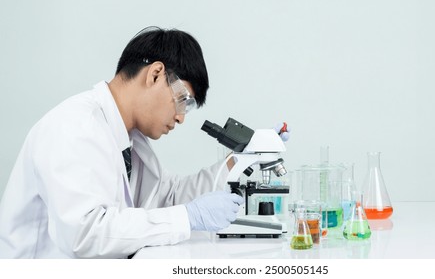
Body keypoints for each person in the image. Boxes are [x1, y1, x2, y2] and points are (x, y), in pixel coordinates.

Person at [0, 27, 289, 259]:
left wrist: (241, 159)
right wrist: (188, 218)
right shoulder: (74, 127)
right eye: (183, 101)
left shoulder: (129, 139)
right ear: (155, 74)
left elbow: (169, 197)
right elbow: (84, 234)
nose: (180, 117)